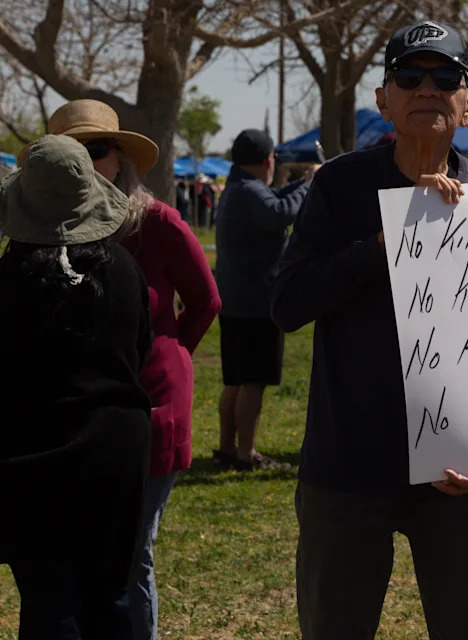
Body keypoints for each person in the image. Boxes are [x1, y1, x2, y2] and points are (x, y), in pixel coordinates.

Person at [270, 20, 468, 639]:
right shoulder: (339, 186)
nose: (427, 88)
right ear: (383, 99)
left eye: (445, 76)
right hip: (349, 471)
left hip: (460, 480)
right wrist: (386, 242)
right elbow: (287, 303)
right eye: (409, 76)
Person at [36, 98, 223, 639]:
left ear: (119, 159)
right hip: (79, 414)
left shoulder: (158, 222)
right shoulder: (46, 234)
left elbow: (206, 300)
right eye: (73, 152)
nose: (88, 164)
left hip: (149, 407)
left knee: (130, 550)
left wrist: (167, 353)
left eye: (96, 150)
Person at [0, 134, 152, 638]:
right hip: (116, 451)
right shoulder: (126, 272)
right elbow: (139, 351)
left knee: (50, 598)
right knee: (113, 592)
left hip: (33, 458)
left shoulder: (8, 281)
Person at [214, 129, 315, 471]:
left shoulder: (238, 188)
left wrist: (300, 183)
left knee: (235, 380)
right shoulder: (250, 192)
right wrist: (308, 183)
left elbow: (273, 200)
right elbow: (279, 213)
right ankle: (247, 453)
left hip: (234, 300)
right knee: (253, 382)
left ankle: (227, 448)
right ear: (268, 160)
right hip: (256, 303)